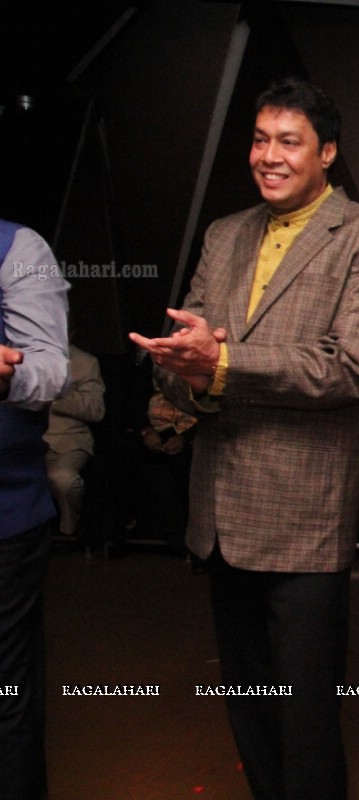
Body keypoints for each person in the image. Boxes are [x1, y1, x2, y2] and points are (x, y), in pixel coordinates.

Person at [129, 79, 359, 800]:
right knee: (247, 700)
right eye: (259, 139)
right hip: (221, 507)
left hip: (305, 516)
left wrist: (219, 364)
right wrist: (183, 369)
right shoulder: (224, 234)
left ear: (328, 153)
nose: (269, 156)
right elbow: (183, 355)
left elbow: (346, 369)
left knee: (304, 710)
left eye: (289, 141)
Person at [0, 219, 70, 800]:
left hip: (4, 523)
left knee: (5, 697)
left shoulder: (18, 248)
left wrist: (8, 376)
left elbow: (49, 369)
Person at [44, 343, 105, 540]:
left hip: (67, 440)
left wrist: (57, 396)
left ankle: (68, 531)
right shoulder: (19, 355)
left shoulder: (84, 362)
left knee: (63, 480)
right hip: (25, 439)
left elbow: (96, 410)